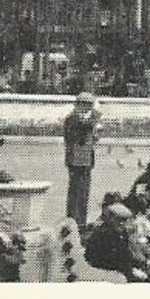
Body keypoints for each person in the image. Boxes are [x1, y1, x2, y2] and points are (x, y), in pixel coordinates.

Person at [62, 91, 101, 227]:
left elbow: (92, 134)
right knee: (75, 191)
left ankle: (81, 221)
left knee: (84, 192)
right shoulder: (73, 119)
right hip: (76, 160)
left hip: (87, 160)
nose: (89, 108)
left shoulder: (86, 118)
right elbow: (84, 128)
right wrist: (94, 117)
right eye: (86, 104)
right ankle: (73, 220)